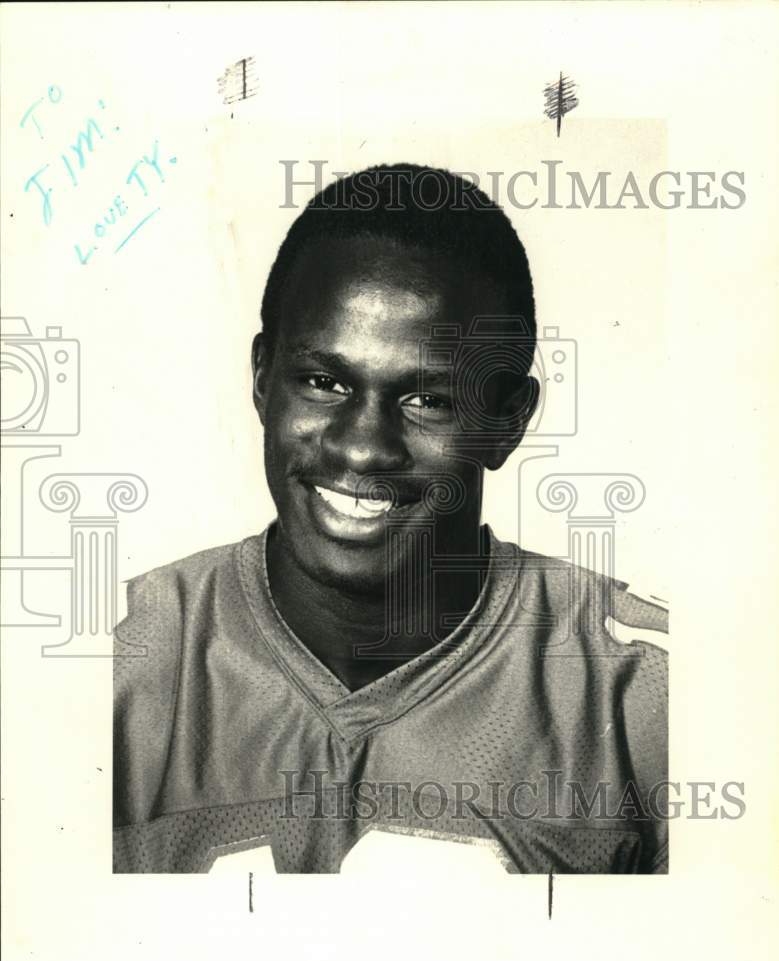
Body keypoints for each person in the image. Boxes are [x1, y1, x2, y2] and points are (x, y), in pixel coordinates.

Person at [113, 164, 668, 875]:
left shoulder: (647, 693)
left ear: (506, 420)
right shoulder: (106, 670)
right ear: (261, 379)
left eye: (426, 400)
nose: (360, 447)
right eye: (322, 382)